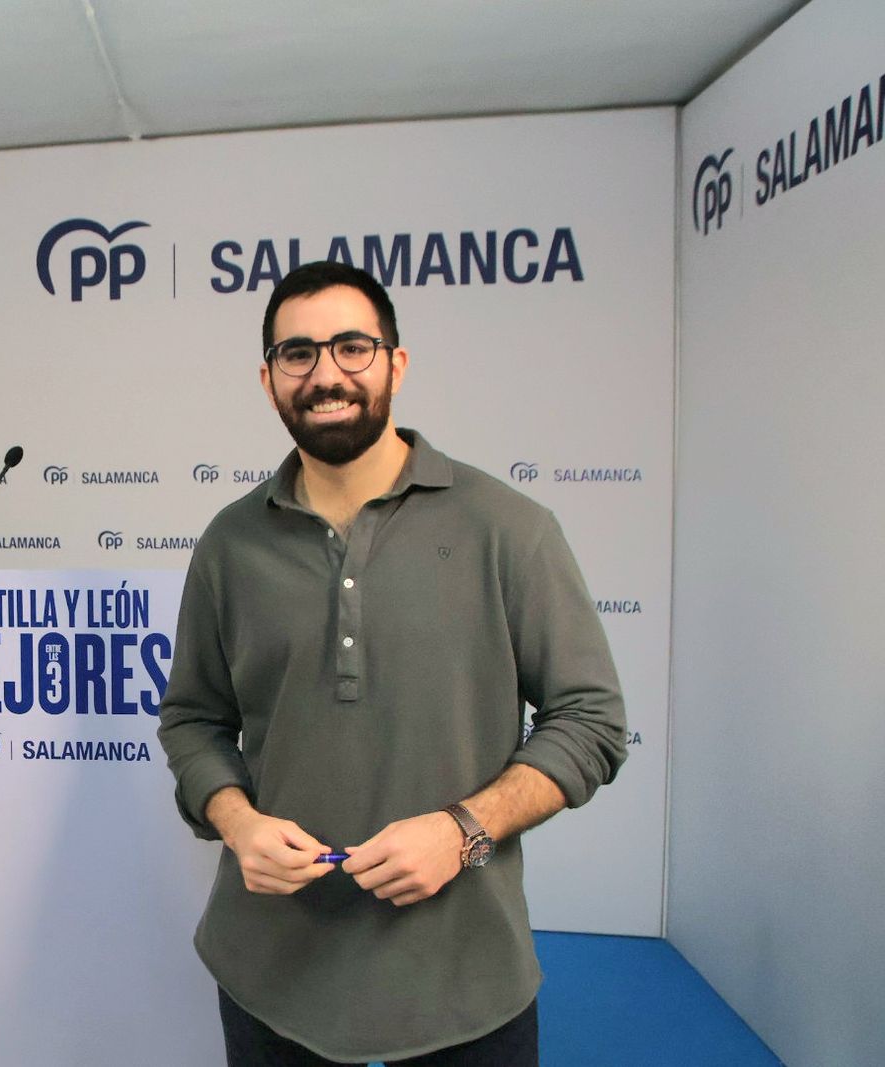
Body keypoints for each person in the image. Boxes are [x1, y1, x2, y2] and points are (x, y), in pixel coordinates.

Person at [157, 261, 626, 1066]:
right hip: (272, 974)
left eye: (352, 346)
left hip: (464, 975)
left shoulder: (508, 528)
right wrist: (236, 823)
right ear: (268, 379)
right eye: (297, 354)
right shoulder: (230, 543)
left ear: (396, 364)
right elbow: (193, 718)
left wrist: (463, 830)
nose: (326, 373)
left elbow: (591, 720)